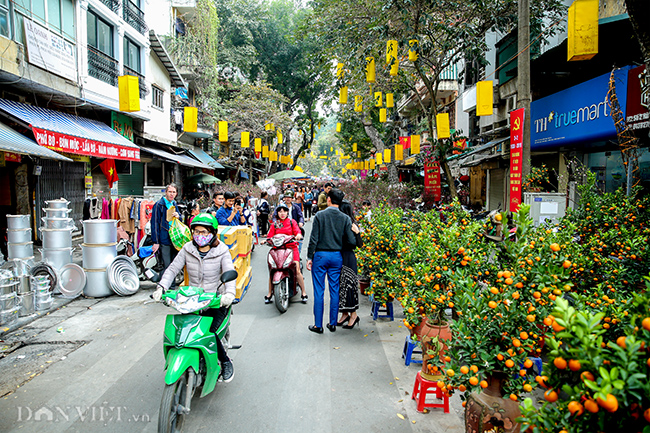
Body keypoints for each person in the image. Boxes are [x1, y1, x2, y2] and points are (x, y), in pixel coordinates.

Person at [152, 213, 236, 382]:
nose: (200, 236)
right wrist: (161, 287)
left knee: (209, 332)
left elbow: (229, 273)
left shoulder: (222, 251)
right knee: (182, 331)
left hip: (215, 301)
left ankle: (225, 362)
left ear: (212, 233)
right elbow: (172, 269)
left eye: (204, 232)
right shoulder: (187, 249)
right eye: (197, 231)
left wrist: (229, 294)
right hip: (192, 301)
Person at [306, 188, 356, 334]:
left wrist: (310, 257)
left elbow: (313, 239)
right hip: (336, 257)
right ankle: (333, 323)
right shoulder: (345, 218)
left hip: (320, 256)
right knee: (334, 289)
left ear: (328, 199)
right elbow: (351, 241)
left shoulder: (320, 216)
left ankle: (318, 325)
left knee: (319, 291)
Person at [264, 203, 308, 304]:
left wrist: (297, 235)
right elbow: (269, 236)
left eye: (284, 211)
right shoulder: (275, 224)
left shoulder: (292, 222)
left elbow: (298, 232)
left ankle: (303, 292)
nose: (282, 213)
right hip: (277, 250)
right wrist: (266, 240)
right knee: (272, 270)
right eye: (280, 211)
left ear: (287, 212)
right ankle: (270, 293)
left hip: (291, 249)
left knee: (297, 270)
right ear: (277, 213)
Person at [336, 201, 362, 329]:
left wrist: (357, 233)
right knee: (341, 287)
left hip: (348, 258)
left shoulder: (351, 224)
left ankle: (353, 315)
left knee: (349, 286)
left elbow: (359, 244)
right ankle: (344, 313)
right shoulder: (340, 223)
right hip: (338, 257)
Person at [151, 184, 179, 283]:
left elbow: (179, 219)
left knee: (174, 264)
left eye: (174, 192)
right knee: (166, 265)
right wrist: (156, 241)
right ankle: (164, 286)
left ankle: (171, 286)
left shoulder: (174, 204)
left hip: (174, 238)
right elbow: (154, 223)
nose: (172, 194)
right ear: (166, 192)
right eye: (170, 192)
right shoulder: (159, 205)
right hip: (164, 239)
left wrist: (178, 215)